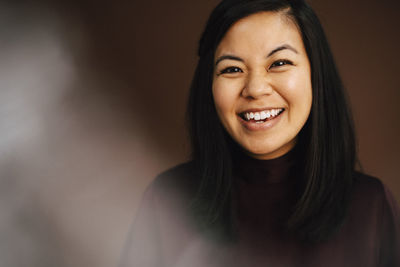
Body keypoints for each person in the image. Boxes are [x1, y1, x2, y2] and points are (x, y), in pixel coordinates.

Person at [119, 0, 400, 266]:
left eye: (279, 63)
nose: (254, 88)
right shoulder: (168, 201)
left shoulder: (371, 207)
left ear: (316, 75)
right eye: (232, 69)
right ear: (209, 86)